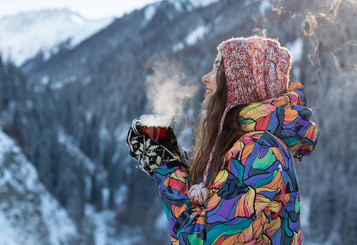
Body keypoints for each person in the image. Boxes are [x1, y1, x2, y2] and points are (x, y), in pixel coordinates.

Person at [126, 36, 319, 244]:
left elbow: (200, 239)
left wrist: (166, 167)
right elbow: (208, 218)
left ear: (241, 85)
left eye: (218, 68)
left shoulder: (260, 150)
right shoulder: (245, 145)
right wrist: (170, 158)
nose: (205, 77)